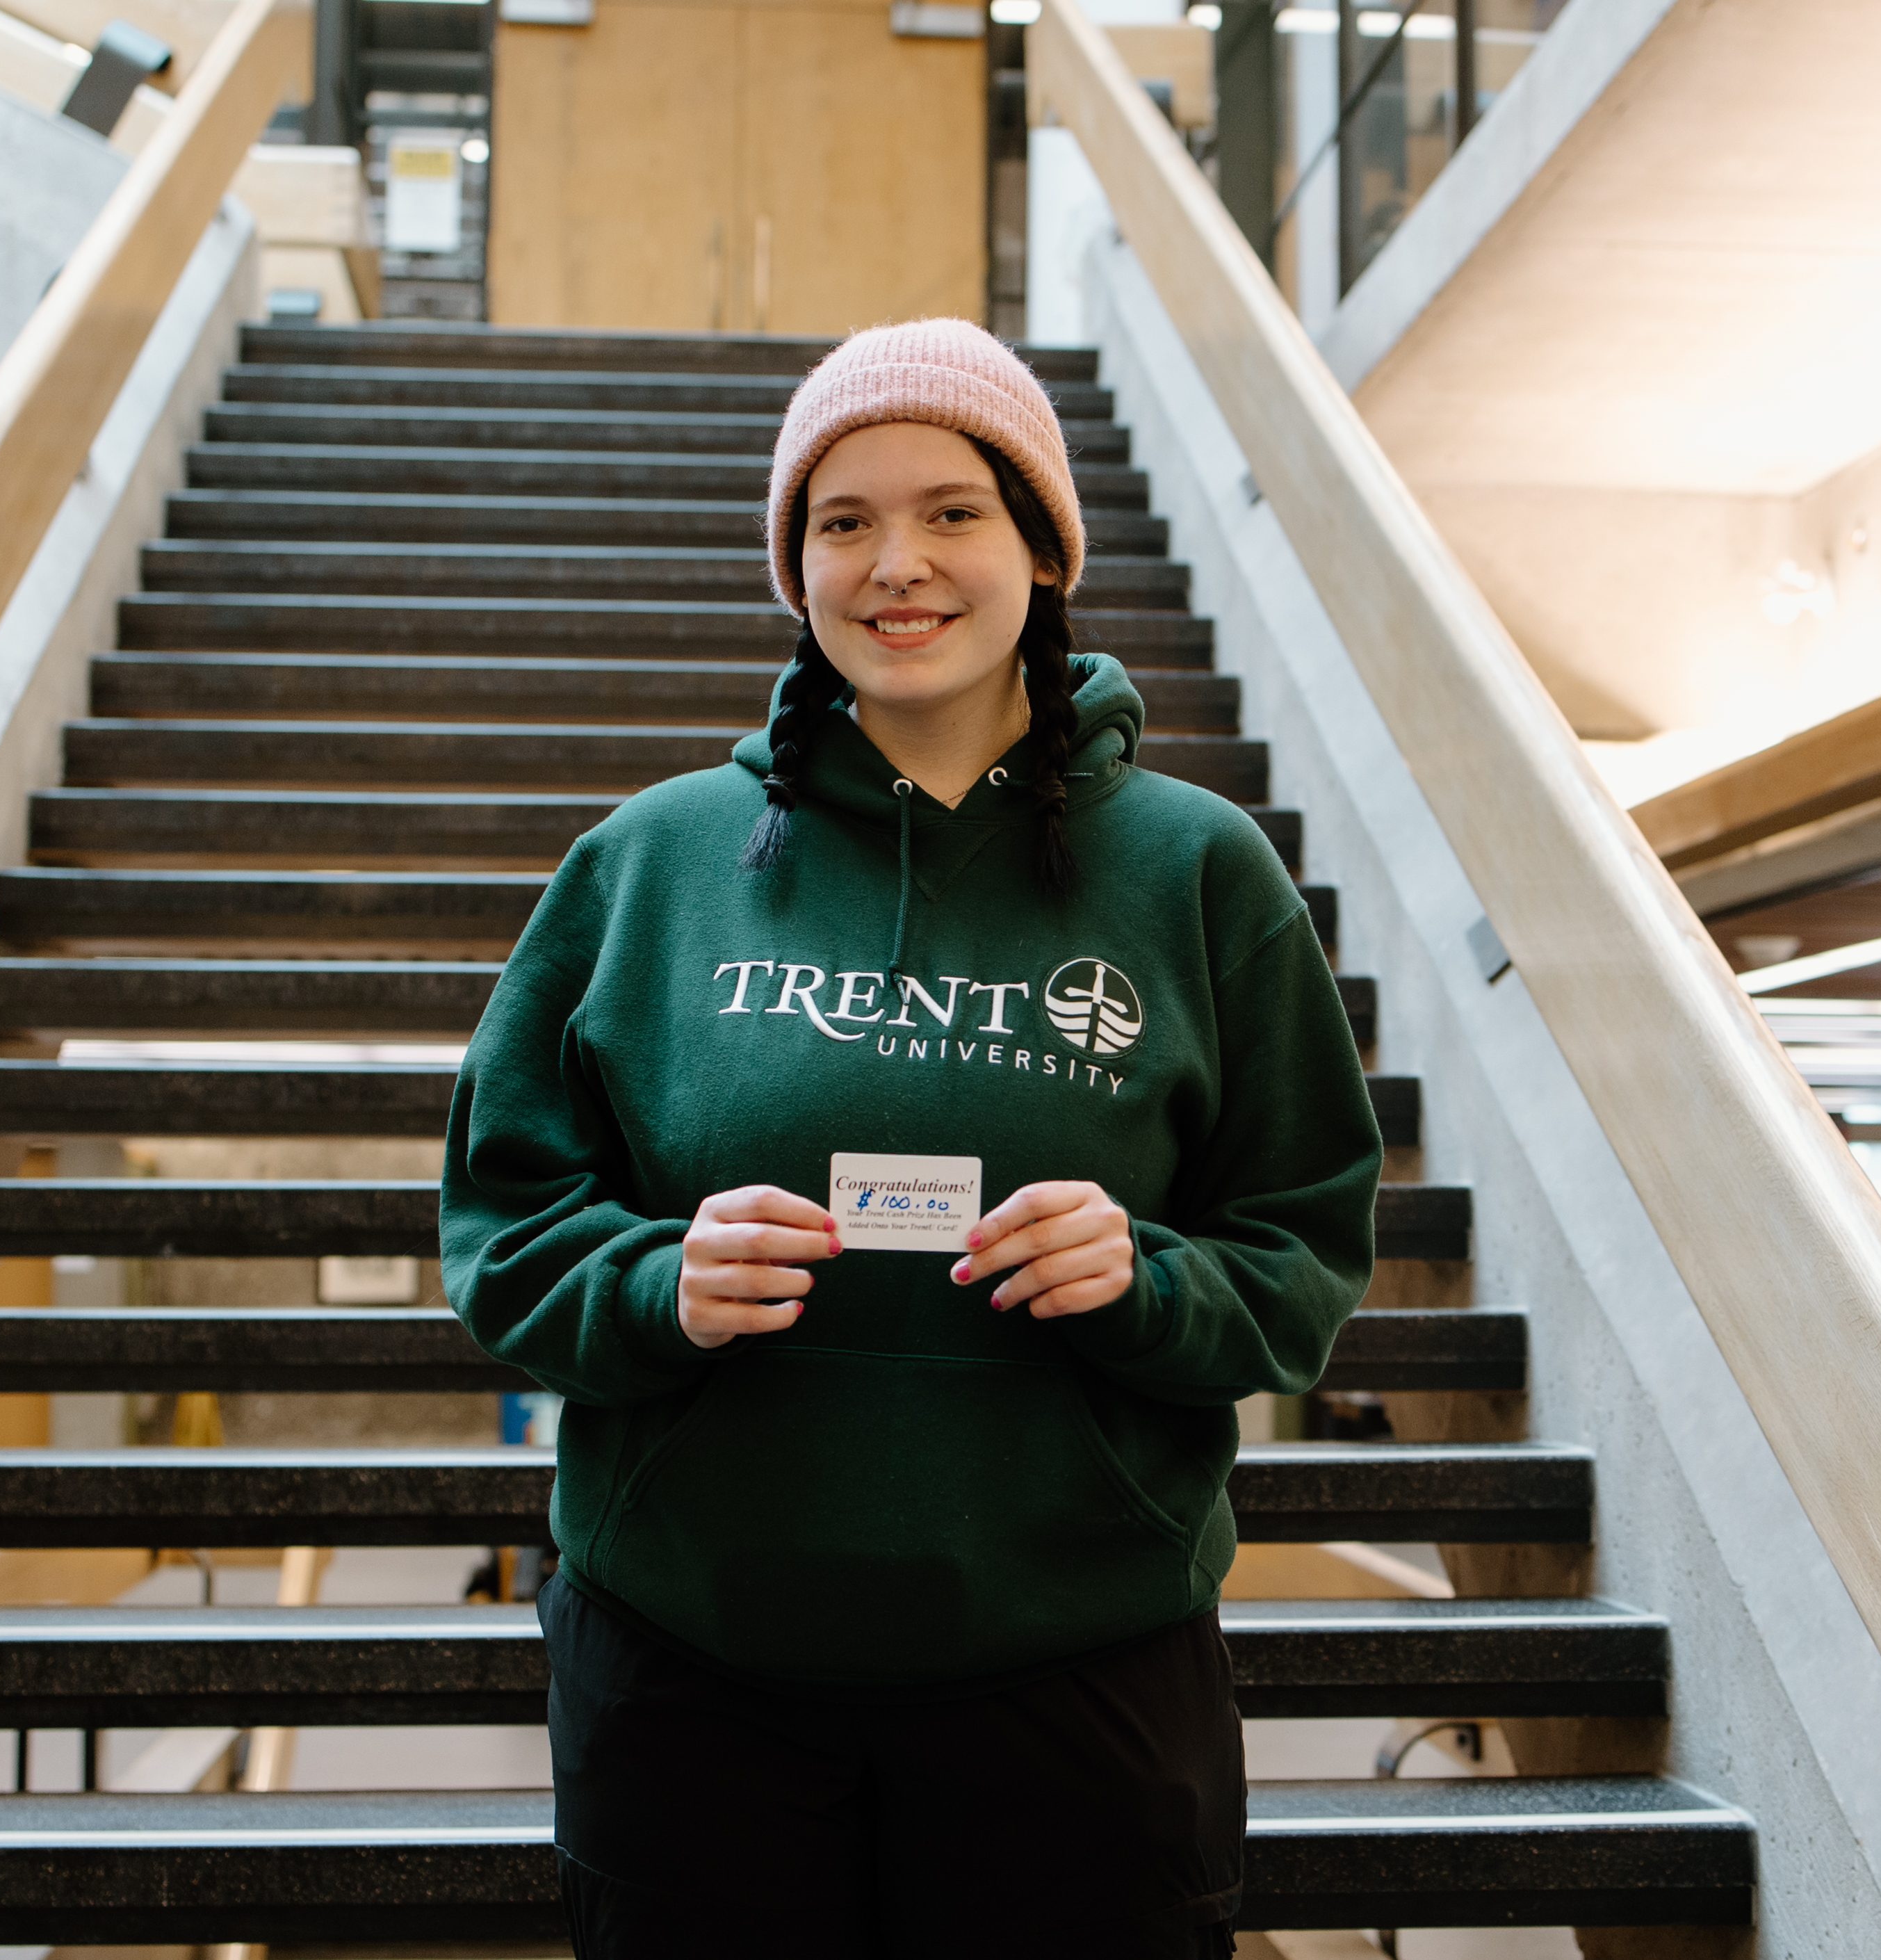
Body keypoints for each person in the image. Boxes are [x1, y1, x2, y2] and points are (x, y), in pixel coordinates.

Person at [442, 317, 1383, 1958]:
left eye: (953, 511)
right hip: (692, 1672)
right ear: (796, 565)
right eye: (844, 521)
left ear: (1039, 543)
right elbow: (501, 1230)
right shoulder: (648, 864)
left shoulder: (1199, 872)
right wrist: (656, 1284)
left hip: (1081, 1667)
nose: (900, 565)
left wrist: (1152, 1280)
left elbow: (1302, 1255)